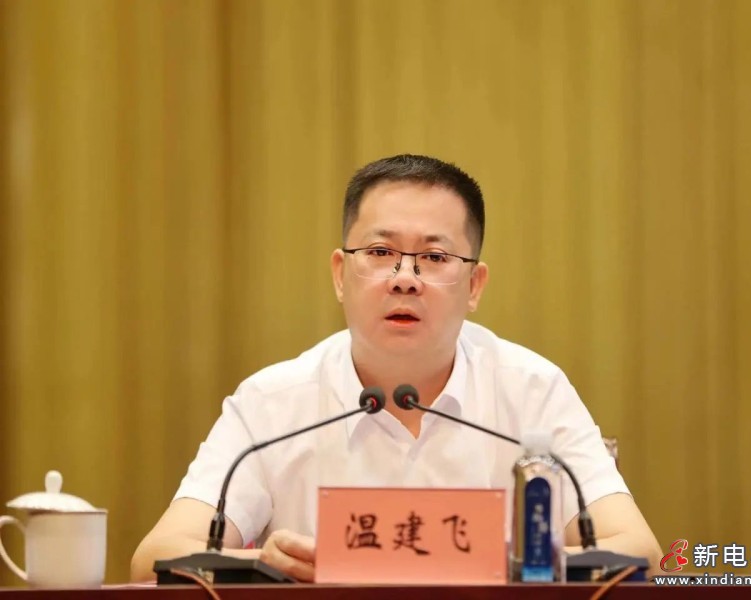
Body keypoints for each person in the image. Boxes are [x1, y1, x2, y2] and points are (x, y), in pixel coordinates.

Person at [130, 154, 662, 583]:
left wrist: (505, 566)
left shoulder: (532, 389)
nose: (405, 278)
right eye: (381, 251)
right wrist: (266, 565)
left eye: (434, 257)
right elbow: (155, 559)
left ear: (474, 286)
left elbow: (640, 553)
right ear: (340, 274)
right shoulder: (273, 402)